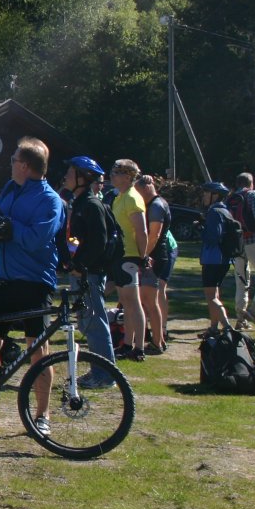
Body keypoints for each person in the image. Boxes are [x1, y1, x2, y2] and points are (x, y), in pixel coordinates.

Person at [0, 137, 64, 437]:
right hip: (4, 280)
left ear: (25, 165)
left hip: (34, 283)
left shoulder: (50, 200)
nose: (10, 164)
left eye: (13, 160)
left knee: (38, 350)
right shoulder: (10, 189)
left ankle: (43, 415)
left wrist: (10, 228)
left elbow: (37, 239)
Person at [60, 156, 119, 388]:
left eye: (71, 172)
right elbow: (77, 239)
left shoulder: (91, 205)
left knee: (95, 323)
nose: (66, 176)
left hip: (90, 274)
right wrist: (70, 261)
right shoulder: (79, 203)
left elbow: (98, 243)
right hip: (83, 273)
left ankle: (105, 376)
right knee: (87, 323)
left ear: (82, 178)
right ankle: (99, 371)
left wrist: (80, 266)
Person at [108, 159, 149, 361]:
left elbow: (141, 231)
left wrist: (142, 256)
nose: (112, 176)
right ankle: (127, 343)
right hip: (120, 255)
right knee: (125, 301)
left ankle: (139, 347)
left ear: (127, 176)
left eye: (116, 173)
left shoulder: (132, 198)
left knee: (133, 302)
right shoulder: (120, 197)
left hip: (129, 255)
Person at [136, 174, 174, 354]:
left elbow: (155, 235)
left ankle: (157, 342)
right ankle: (158, 340)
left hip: (155, 256)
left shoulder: (157, 205)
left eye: (138, 191)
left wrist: (143, 255)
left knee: (150, 301)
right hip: (155, 255)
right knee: (148, 301)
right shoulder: (156, 203)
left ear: (146, 188)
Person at [227, 172, 255, 328]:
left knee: (242, 281)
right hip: (253, 241)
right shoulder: (252, 194)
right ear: (251, 183)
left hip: (237, 244)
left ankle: (241, 318)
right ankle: (254, 309)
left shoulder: (230, 198)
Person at [199, 181, 235, 334]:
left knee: (211, 296)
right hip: (223, 259)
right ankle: (214, 328)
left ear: (215, 195)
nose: (204, 196)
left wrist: (200, 229)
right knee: (215, 294)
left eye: (206, 193)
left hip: (213, 259)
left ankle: (227, 327)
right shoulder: (225, 211)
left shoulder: (214, 212)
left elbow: (213, 238)